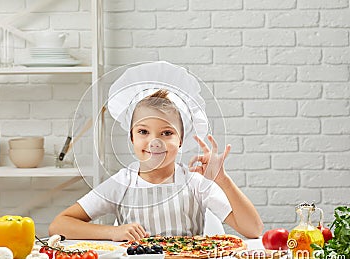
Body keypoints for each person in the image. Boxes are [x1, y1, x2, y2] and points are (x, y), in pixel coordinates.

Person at [49, 62, 263, 241]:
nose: (155, 142)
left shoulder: (196, 183)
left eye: (166, 133)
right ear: (131, 137)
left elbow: (253, 230)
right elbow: (58, 225)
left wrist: (222, 180)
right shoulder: (122, 183)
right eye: (143, 131)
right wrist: (113, 232)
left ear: (181, 140)